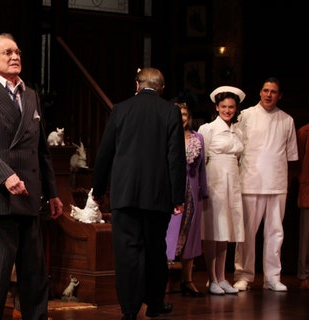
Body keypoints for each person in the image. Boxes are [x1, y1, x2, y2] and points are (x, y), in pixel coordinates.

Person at [0, 33, 64, 320]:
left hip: (29, 199)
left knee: (34, 281)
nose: (15, 56)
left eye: (17, 51)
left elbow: (41, 149)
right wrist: (6, 176)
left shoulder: (30, 95)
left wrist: (53, 193)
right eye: (7, 52)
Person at [92, 67, 186, 320]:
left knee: (127, 252)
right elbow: (176, 158)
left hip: (124, 195)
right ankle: (154, 303)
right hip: (158, 196)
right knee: (156, 250)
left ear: (137, 85)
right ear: (161, 88)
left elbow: (105, 153)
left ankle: (129, 309)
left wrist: (98, 190)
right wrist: (178, 197)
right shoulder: (170, 111)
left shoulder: (120, 109)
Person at [233, 78, 298, 292]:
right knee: (247, 233)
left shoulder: (286, 120)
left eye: (274, 92)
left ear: (280, 95)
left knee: (275, 232)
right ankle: (244, 275)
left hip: (277, 183)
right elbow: (236, 148)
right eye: (265, 90)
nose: (269, 95)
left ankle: (272, 276)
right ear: (260, 92)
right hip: (250, 181)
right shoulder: (246, 116)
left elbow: (290, 155)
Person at [198, 86, 246, 295]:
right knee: (213, 230)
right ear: (217, 107)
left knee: (226, 230)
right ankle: (211, 278)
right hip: (215, 179)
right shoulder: (207, 129)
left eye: (231, 107)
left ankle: (222, 276)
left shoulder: (238, 130)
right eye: (224, 106)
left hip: (232, 180)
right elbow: (201, 159)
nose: (227, 110)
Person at [164, 101, 208, 297]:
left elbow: (202, 169)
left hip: (193, 193)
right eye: (177, 114)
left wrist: (203, 191)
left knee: (191, 236)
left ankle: (187, 280)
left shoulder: (197, 137)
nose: (181, 117)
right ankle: (162, 281)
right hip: (172, 193)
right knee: (169, 236)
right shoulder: (165, 137)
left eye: (184, 114)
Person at [297, 123, 309, 289]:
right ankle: (304, 275)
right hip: (308, 186)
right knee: (306, 235)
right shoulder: (305, 131)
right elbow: (297, 160)